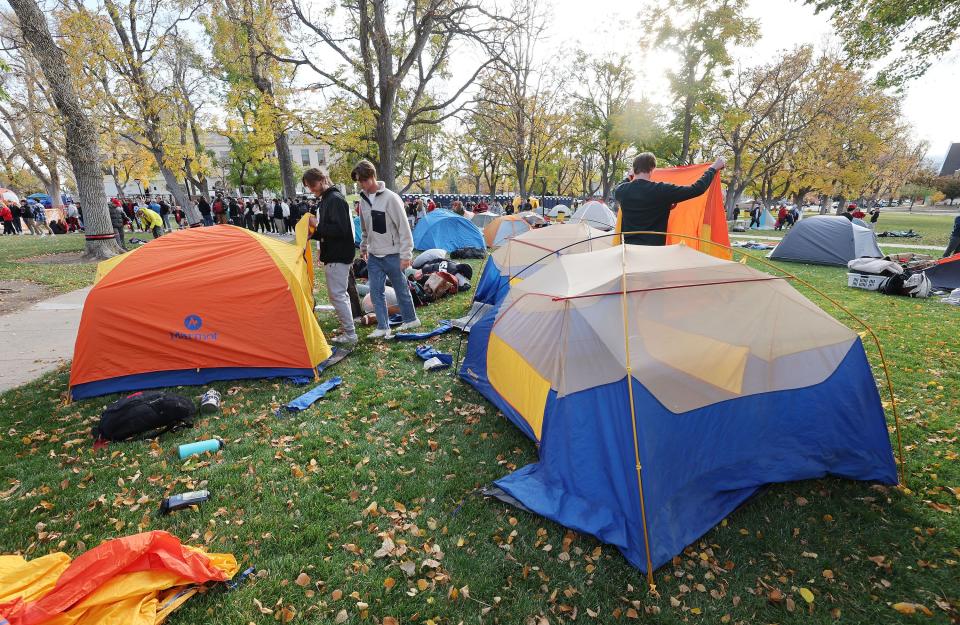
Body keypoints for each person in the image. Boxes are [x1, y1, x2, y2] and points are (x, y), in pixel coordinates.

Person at [353, 159, 420, 339]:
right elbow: (365, 227)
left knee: (400, 288)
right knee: (375, 291)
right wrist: (364, 247)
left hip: (393, 254)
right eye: (359, 181)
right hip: (374, 255)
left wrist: (406, 255)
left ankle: (411, 319)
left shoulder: (391, 198)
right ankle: (383, 326)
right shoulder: (363, 200)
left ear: (372, 177)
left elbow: (404, 228)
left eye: (363, 180)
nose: (362, 184)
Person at [615, 152, 725, 246]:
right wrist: (712, 169)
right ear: (652, 169)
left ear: (634, 169)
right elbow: (697, 189)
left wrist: (628, 177)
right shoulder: (662, 190)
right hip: (653, 251)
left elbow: (620, 185)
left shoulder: (621, 191)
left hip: (628, 249)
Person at [303, 167, 358, 344]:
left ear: (321, 180)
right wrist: (315, 234)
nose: (311, 189)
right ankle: (346, 327)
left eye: (312, 185)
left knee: (337, 295)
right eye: (308, 186)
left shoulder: (333, 199)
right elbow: (332, 229)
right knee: (341, 294)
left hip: (338, 254)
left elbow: (340, 230)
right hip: (335, 253)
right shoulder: (328, 199)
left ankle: (350, 333)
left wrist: (317, 225)